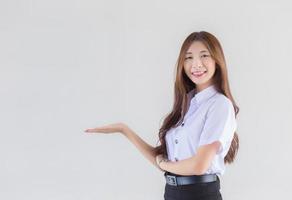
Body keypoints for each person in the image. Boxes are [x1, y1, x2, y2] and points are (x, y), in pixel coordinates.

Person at [84, 31, 239, 200]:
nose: (196, 64)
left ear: (217, 60)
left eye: (204, 55)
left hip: (200, 194)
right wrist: (124, 130)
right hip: (172, 192)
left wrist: (164, 164)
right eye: (188, 57)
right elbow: (163, 160)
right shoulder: (187, 104)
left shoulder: (219, 104)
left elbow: (199, 165)